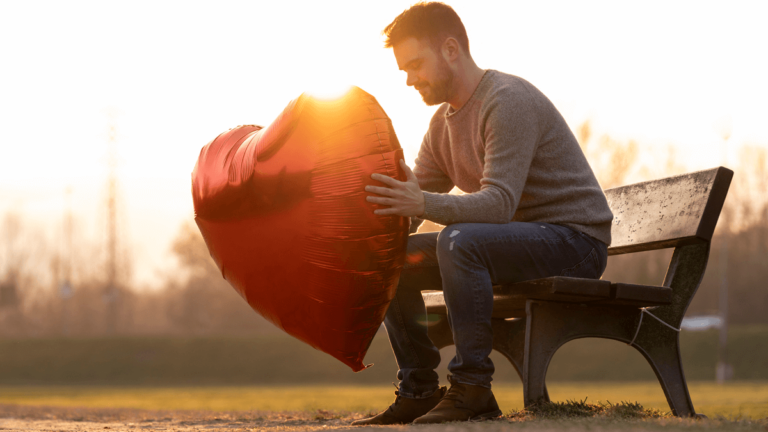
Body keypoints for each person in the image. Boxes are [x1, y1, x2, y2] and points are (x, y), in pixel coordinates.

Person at [353, 1, 613, 425]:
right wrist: (370, 232)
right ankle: (419, 389)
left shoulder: (506, 101)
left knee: (460, 241)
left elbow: (497, 204)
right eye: (404, 70)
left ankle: (473, 389)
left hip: (575, 242)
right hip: (514, 244)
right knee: (392, 259)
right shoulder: (441, 126)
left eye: (415, 65)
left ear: (450, 49)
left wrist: (420, 202)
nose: (409, 79)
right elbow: (411, 203)